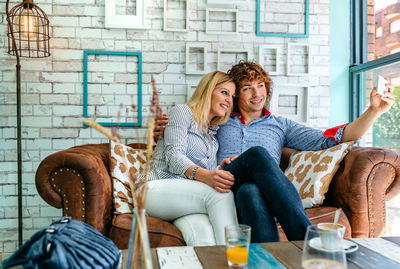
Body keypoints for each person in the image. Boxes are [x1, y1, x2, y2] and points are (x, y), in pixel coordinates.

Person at [154, 61, 395, 243]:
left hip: (257, 195)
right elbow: (187, 133)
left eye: (261, 86)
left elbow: (331, 140)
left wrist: (373, 112)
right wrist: (160, 133)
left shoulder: (280, 125)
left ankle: (267, 260)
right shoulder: (219, 119)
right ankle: (308, 240)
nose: (257, 93)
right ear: (236, 95)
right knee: (258, 154)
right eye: (248, 88)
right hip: (224, 185)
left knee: (251, 190)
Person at [145, 71, 238, 245]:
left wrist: (218, 170)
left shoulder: (212, 138)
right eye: (224, 92)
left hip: (182, 199)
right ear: (207, 90)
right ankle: (237, 261)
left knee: (203, 236)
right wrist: (208, 176)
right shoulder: (182, 112)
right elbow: (174, 157)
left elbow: (202, 177)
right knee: (222, 195)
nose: (229, 100)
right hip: (155, 188)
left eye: (232, 97)